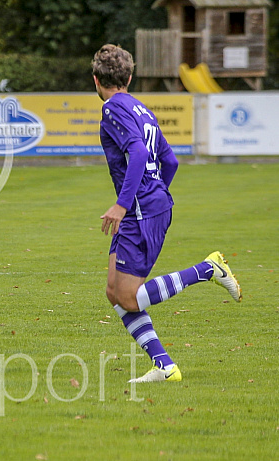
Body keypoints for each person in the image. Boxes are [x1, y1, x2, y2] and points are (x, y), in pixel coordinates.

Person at [92, 44, 242, 383]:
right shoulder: (141, 108)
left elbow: (137, 149)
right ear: (129, 77)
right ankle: (164, 366)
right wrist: (156, 191)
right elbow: (169, 160)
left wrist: (125, 203)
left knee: (128, 296)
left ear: (96, 80)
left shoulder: (112, 108)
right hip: (147, 205)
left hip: (140, 208)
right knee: (114, 291)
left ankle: (208, 269)